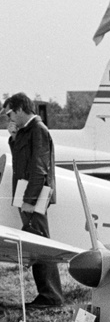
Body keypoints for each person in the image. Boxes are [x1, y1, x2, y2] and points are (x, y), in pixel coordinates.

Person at [5, 92, 62, 307]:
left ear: (20, 109)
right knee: (36, 240)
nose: (9, 119)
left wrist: (30, 199)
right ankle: (48, 294)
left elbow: (40, 168)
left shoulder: (38, 130)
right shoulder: (27, 131)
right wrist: (13, 137)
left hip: (33, 194)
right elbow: (20, 158)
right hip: (27, 192)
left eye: (10, 114)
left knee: (39, 241)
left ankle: (51, 296)